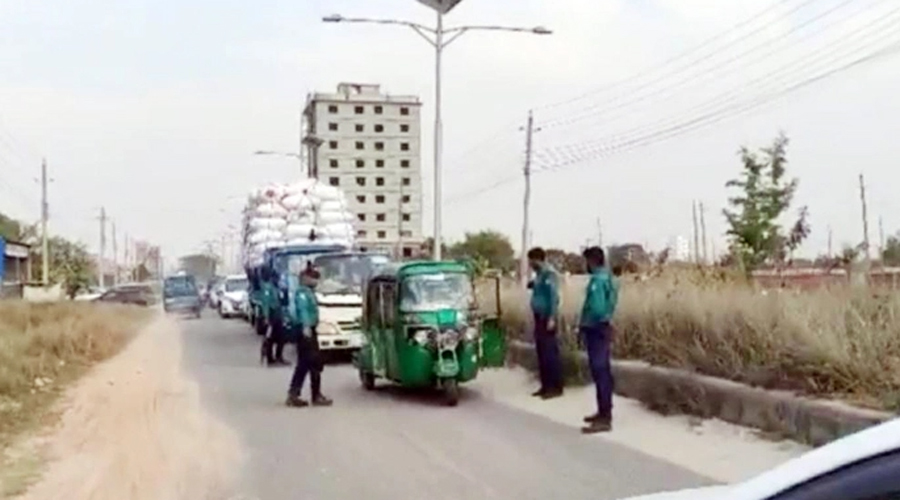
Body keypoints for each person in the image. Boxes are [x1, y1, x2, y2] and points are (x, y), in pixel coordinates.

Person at [579, 246, 619, 434]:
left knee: (600, 371)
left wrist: (585, 323)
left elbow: (595, 307)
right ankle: (603, 411)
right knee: (603, 371)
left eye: (586, 261)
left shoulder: (597, 280)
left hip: (596, 328)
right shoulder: (609, 277)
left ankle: (605, 418)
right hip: (604, 326)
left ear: (591, 261)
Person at [285, 266, 333, 408]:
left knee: (309, 363)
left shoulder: (308, 292)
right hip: (305, 331)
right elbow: (303, 310)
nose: (316, 281)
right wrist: (306, 326)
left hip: (310, 329)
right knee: (309, 362)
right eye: (313, 278)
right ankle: (299, 395)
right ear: (305, 278)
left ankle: (308, 394)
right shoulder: (302, 294)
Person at [526, 247, 563, 399]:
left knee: (549, 354)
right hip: (539, 317)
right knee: (541, 353)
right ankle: (545, 385)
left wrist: (552, 318)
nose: (530, 264)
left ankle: (555, 387)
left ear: (537, 260)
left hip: (547, 317)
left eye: (531, 261)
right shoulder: (540, 275)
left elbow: (553, 297)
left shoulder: (549, 274)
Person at [261, 268, 289, 366]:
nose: (278, 280)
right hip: (271, 316)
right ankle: (270, 359)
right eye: (276, 278)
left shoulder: (276, 288)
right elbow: (266, 303)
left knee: (282, 337)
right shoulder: (268, 288)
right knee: (270, 338)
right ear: (272, 278)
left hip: (278, 315)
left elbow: (281, 301)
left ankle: (279, 356)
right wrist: (266, 317)